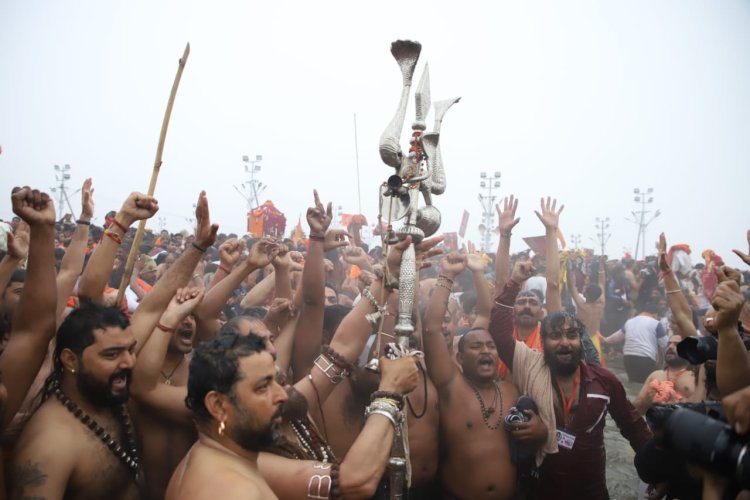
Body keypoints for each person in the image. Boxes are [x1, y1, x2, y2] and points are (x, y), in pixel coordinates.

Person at [490, 260, 652, 499]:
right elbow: (499, 332)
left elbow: (633, 427)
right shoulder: (531, 364)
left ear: (580, 341)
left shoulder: (604, 380)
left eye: (571, 335)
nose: (564, 342)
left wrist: (659, 473)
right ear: (542, 344)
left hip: (590, 490)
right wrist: (513, 282)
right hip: (538, 489)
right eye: (555, 336)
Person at [422, 252, 539, 499]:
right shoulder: (451, 386)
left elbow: (487, 314)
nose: (486, 350)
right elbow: (431, 329)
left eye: (491, 346)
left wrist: (542, 431)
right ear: (461, 359)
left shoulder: (511, 390)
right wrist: (447, 275)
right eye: (476, 347)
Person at [631, 335, 701, 414]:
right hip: (656, 423)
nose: (670, 347)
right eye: (668, 344)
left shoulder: (695, 376)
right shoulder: (655, 375)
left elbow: (702, 409)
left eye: (677, 344)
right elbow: (635, 411)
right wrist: (647, 400)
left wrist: (675, 401)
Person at [603, 300, 667, 383]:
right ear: (655, 314)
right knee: (646, 386)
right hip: (646, 359)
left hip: (628, 359)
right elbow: (665, 344)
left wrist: (603, 339)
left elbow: (615, 338)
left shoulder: (629, 322)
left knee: (633, 383)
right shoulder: (656, 323)